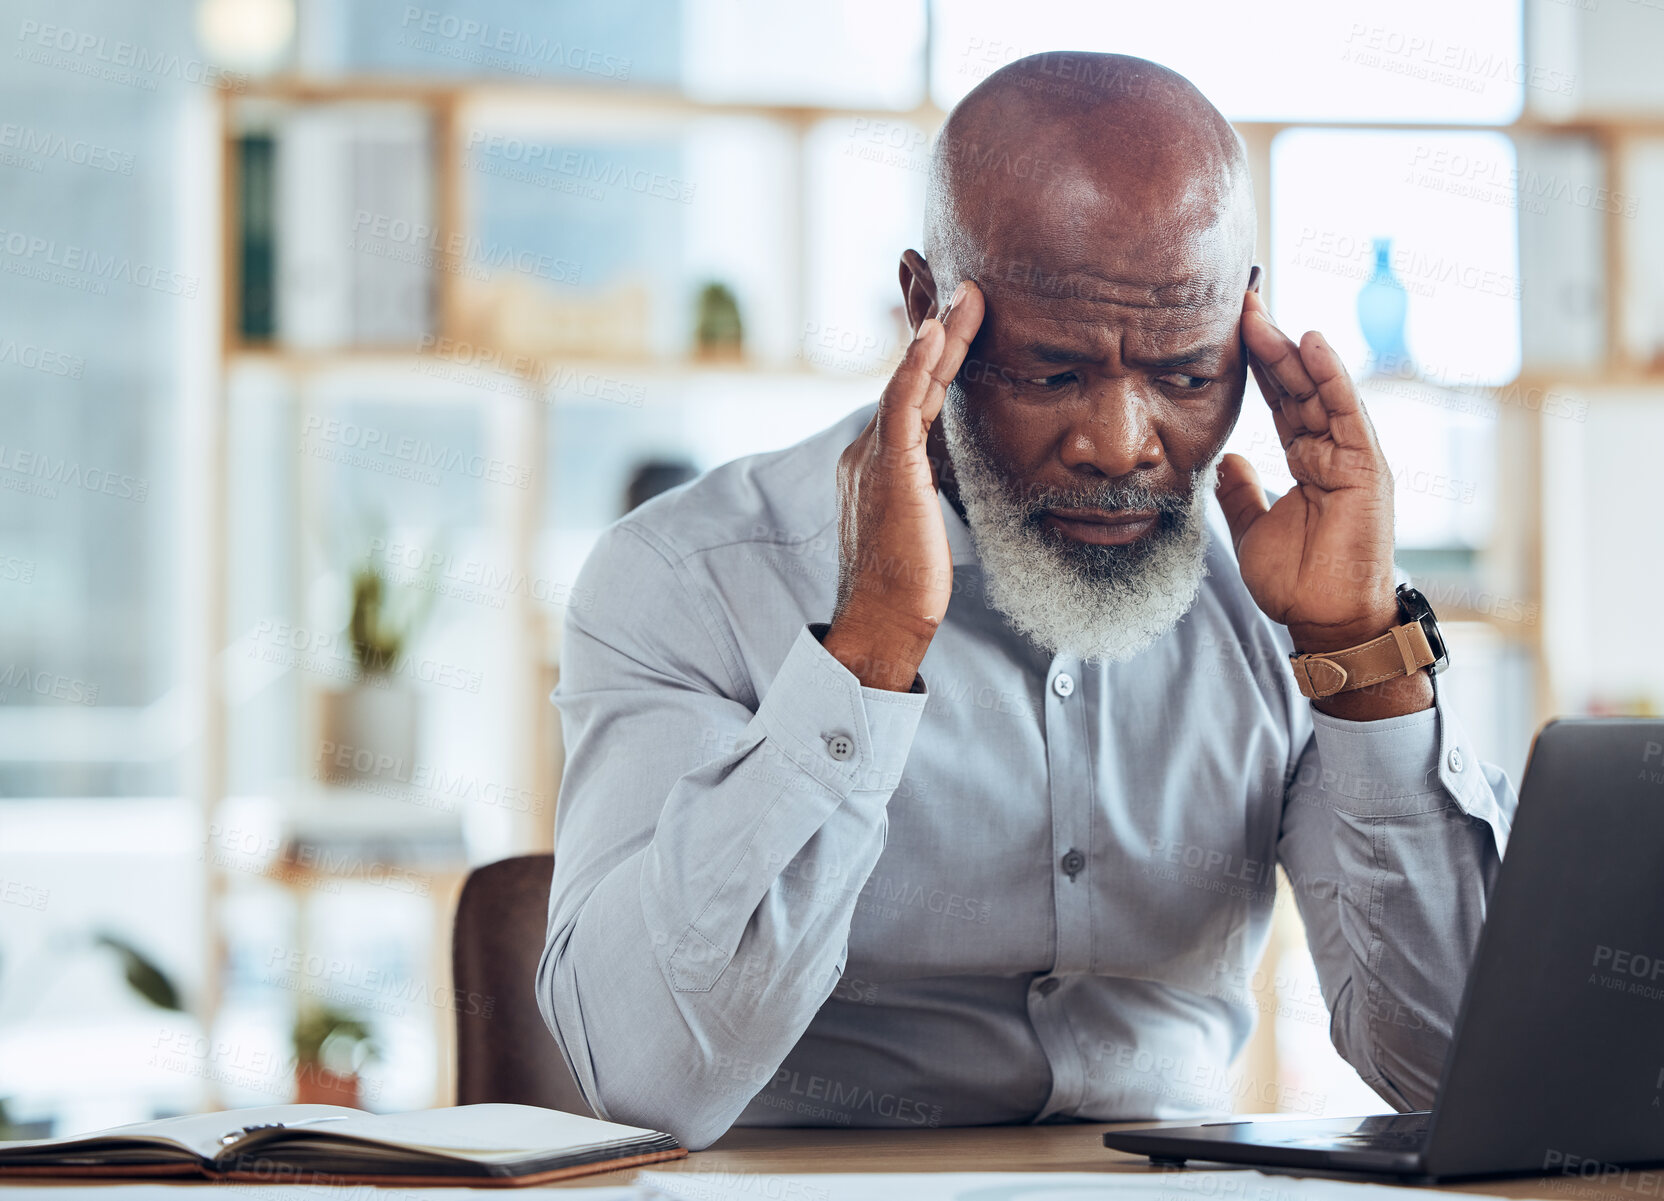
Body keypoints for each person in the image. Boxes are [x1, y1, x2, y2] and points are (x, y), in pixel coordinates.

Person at [535, 52, 1515, 1151]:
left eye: (1187, 377)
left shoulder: (1273, 598)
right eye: (1051, 375)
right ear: (925, 314)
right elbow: (643, 1083)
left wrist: (1357, 655)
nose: (1120, 445)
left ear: (1247, 326)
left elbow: (1461, 1073)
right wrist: (864, 656)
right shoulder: (688, 576)